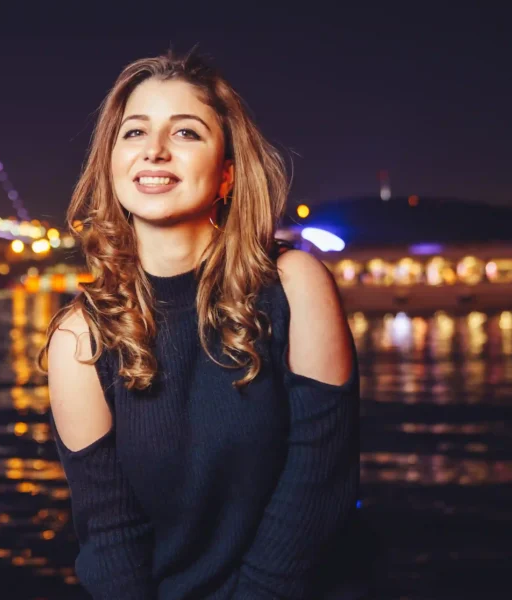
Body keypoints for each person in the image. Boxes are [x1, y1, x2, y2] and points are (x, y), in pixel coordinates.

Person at [39, 51, 367, 600]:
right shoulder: (81, 339)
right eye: (134, 131)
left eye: (186, 132)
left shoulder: (295, 285)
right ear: (112, 163)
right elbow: (111, 542)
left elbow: (317, 489)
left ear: (228, 174)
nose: (154, 150)